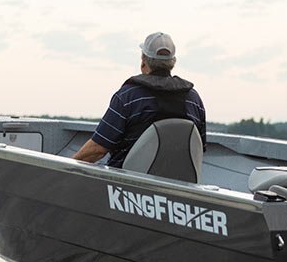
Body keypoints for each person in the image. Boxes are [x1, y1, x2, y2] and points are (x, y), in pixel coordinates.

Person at [72, 32, 207, 167]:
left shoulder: (128, 96)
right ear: (173, 63)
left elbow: (97, 149)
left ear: (143, 61)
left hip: (127, 179)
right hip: (177, 180)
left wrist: (67, 167)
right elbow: (199, 148)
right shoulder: (194, 99)